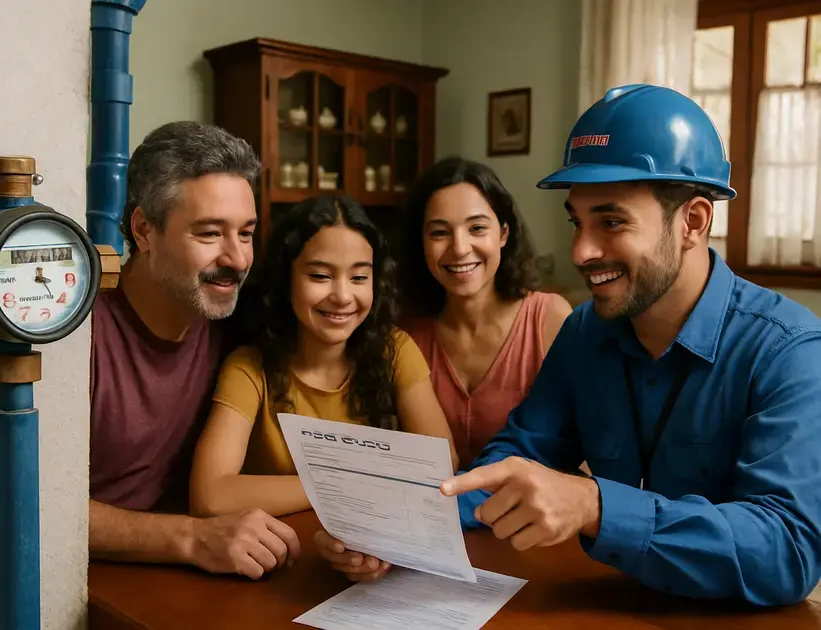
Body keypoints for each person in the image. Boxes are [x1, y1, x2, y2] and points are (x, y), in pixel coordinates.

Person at [320, 83, 821, 605]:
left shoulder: (790, 352)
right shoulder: (585, 332)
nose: (581, 251)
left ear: (693, 221)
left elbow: (788, 551)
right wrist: (391, 525)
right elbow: (517, 458)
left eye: (611, 222)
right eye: (576, 222)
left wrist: (594, 506)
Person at [89, 121, 301, 581]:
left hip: (205, 574)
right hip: (89, 584)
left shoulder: (240, 321)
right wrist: (191, 538)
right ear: (144, 230)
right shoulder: (83, 335)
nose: (238, 259)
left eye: (246, 233)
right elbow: (37, 501)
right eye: (209, 234)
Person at [189, 194, 458, 521]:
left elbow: (443, 464)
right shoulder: (248, 368)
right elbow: (210, 495)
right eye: (320, 276)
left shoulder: (395, 350)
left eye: (359, 277)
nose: (343, 296)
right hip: (283, 545)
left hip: (374, 540)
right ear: (285, 279)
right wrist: (347, 483)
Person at [399, 157, 573, 465]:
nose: (459, 248)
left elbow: (586, 450)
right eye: (439, 232)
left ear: (503, 233)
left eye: (477, 228)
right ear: (421, 242)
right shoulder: (405, 333)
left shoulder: (550, 319)